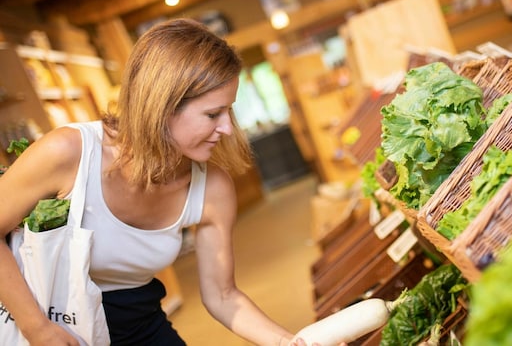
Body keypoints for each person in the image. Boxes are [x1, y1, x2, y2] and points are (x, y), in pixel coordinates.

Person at [0, 18, 339, 346]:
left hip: (141, 327)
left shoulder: (212, 188)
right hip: (44, 324)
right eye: (212, 114)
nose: (228, 129)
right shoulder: (68, 152)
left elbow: (222, 295)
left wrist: (288, 342)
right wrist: (37, 329)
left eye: (229, 112)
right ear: (163, 105)